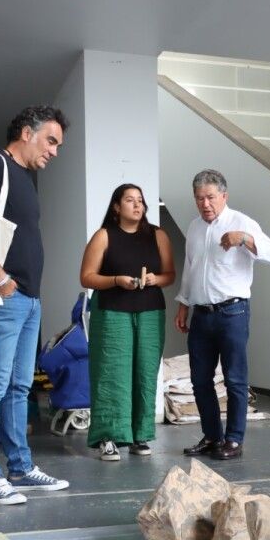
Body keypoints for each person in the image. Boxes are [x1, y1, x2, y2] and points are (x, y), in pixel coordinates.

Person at [0, 105, 72, 505]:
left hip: (27, 300)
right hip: (2, 297)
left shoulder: (25, 178)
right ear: (27, 132)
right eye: (51, 140)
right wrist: (2, 280)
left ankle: (20, 469)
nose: (55, 151)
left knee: (18, 388)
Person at [175, 169, 270, 461]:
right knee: (200, 380)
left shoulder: (241, 222)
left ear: (224, 196)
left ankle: (234, 439)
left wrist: (243, 238)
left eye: (210, 197)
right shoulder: (195, 227)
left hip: (233, 312)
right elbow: (190, 268)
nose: (205, 204)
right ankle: (212, 436)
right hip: (201, 314)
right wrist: (183, 303)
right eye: (199, 199)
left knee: (234, 379)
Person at [79, 184, 175, 461]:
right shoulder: (104, 236)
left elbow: (169, 274)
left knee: (145, 373)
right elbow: (86, 277)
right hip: (112, 313)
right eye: (130, 200)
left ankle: (139, 435)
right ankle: (109, 437)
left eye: (141, 201)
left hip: (150, 312)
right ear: (116, 207)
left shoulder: (158, 235)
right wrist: (116, 280)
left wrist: (156, 279)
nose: (137, 205)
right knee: (112, 374)